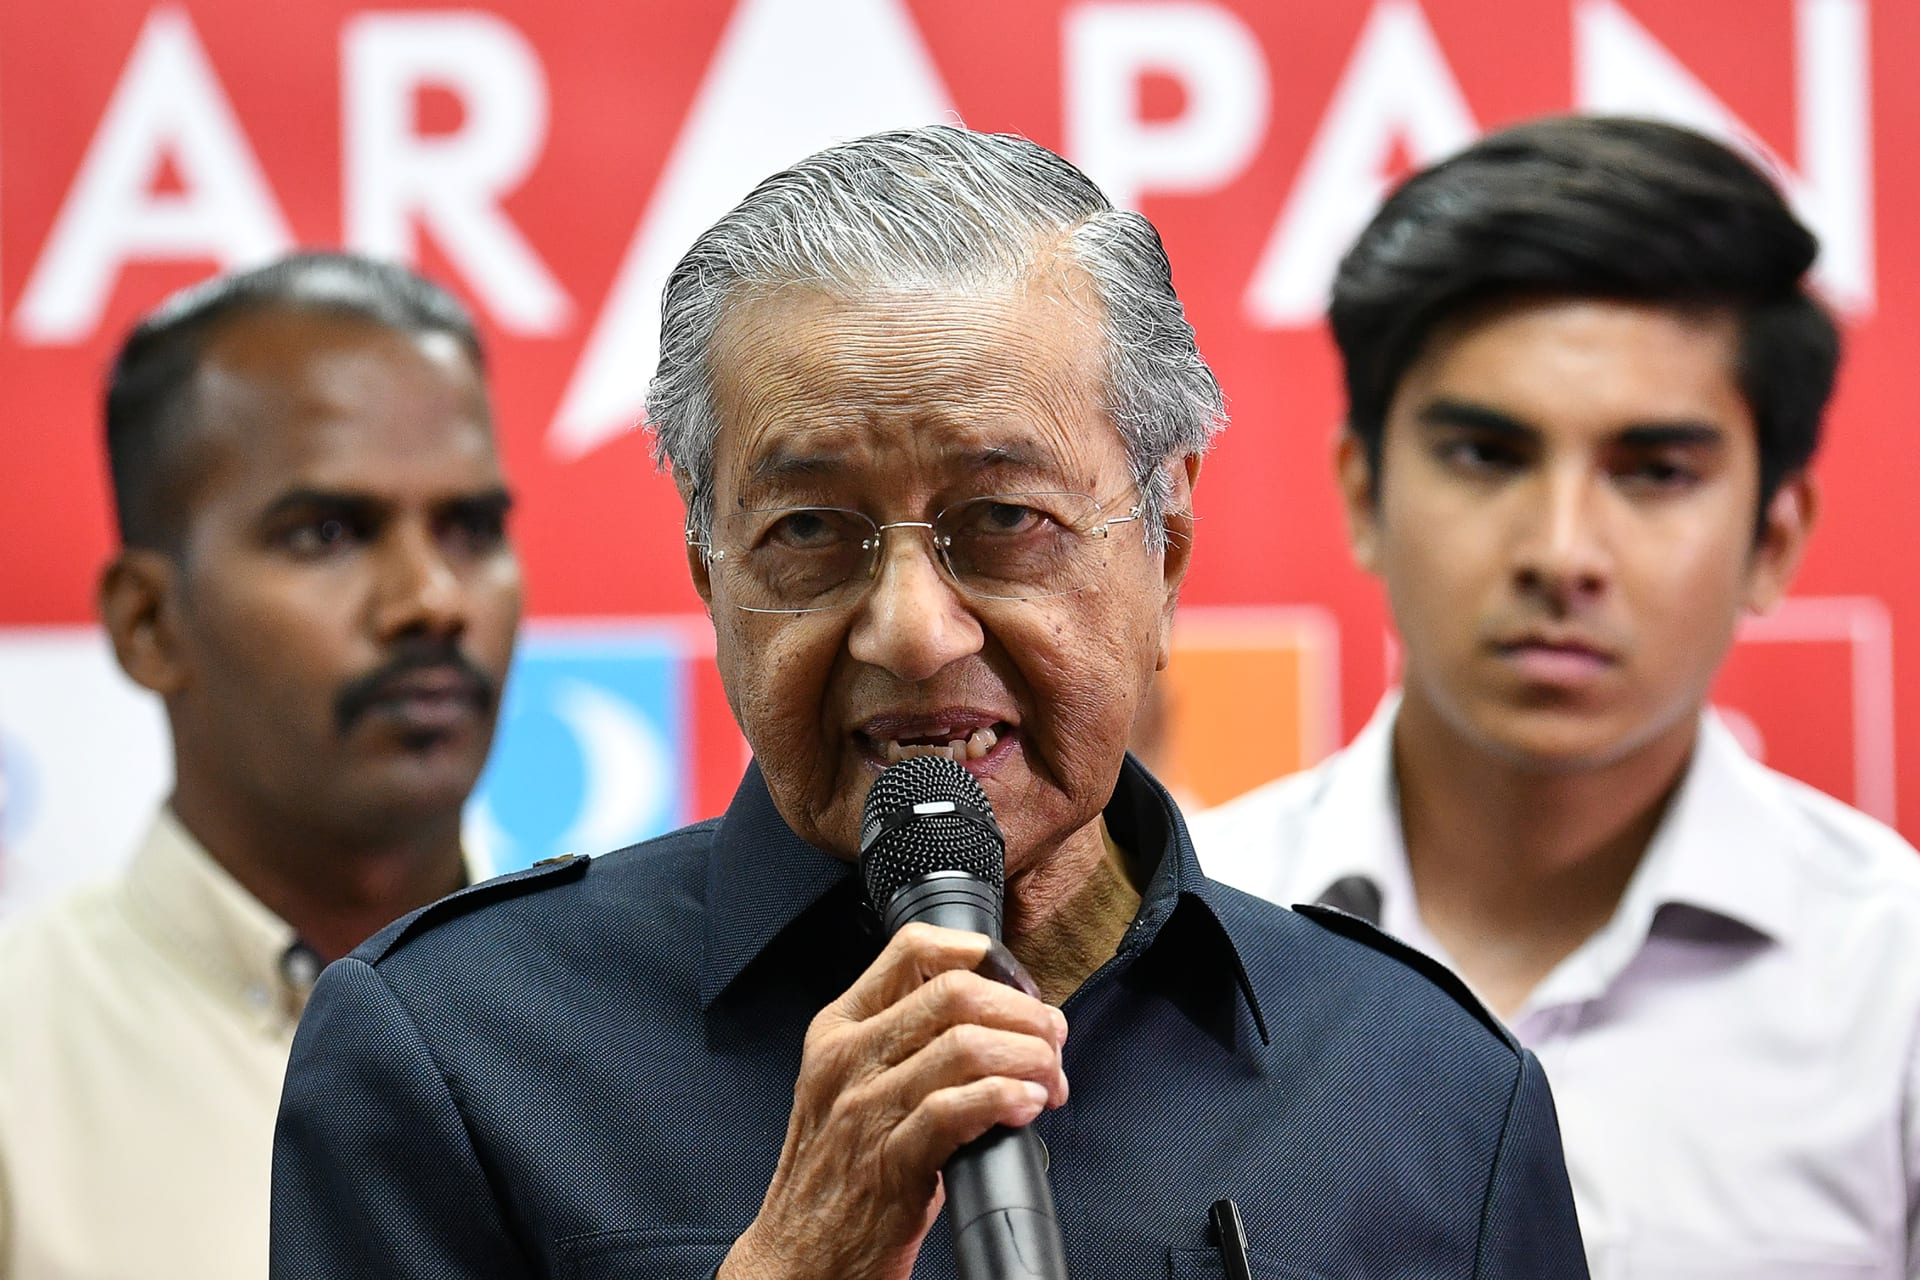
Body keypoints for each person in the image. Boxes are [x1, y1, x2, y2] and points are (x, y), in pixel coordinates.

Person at [269, 125, 1586, 1279]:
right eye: (808, 531)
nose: (910, 630)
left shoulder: (1427, 1086)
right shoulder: (455, 1050)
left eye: (1002, 520)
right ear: (706, 566)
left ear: (1166, 541)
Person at [1190, 115, 1920, 1276]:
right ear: (1365, 490)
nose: (1562, 549)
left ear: (1774, 538)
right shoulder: (1181, 934)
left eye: (1655, 470)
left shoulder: (1895, 984)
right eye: (1487, 452)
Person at [0, 252, 523, 1280]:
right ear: (149, 622)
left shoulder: (652, 1019)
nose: (432, 598)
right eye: (328, 531)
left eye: (471, 527)